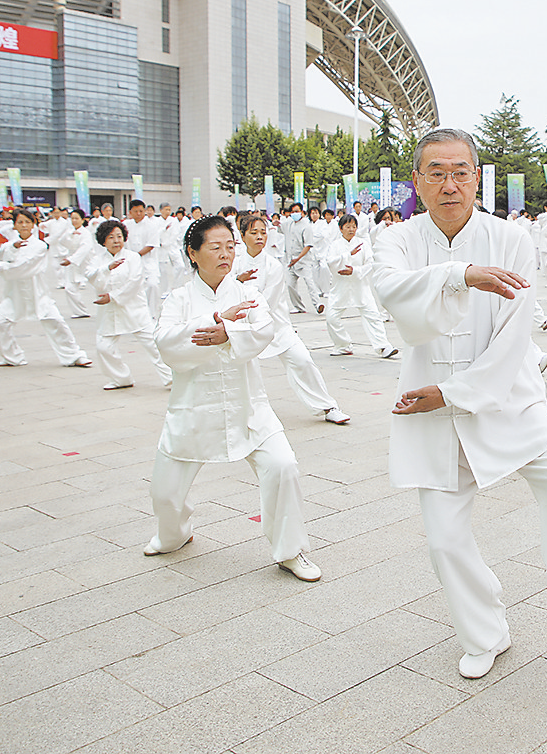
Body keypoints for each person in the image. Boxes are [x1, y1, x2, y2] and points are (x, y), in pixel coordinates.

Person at [372, 128, 547, 698]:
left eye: (461, 172)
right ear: (417, 181)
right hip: (427, 405)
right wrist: (460, 275)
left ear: (477, 178)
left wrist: (456, 392)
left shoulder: (510, 240)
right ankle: (485, 634)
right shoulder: (398, 240)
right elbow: (392, 291)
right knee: (444, 539)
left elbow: (513, 339)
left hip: (508, 398)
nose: (449, 184)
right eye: (436, 172)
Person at [146, 215, 320, 582]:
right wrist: (213, 321)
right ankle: (173, 535)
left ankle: (290, 550)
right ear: (193, 253)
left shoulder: (246, 294)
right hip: (193, 408)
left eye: (230, 246)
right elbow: (166, 344)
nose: (226, 253)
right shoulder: (177, 298)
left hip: (248, 406)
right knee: (164, 493)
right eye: (215, 247)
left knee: (283, 466)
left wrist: (228, 332)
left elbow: (264, 329)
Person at [234, 213, 352, 425]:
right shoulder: (234, 264)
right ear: (242, 236)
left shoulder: (273, 266)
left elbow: (265, 301)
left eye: (263, 232)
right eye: (253, 233)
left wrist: (240, 290)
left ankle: (327, 406)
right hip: (244, 327)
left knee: (302, 361)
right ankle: (242, 412)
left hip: (275, 326)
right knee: (240, 372)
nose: (260, 237)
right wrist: (236, 282)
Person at [0, 208, 93, 367]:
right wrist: (13, 248)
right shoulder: (10, 245)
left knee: (56, 322)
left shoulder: (40, 246)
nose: (24, 225)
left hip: (37, 293)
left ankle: (73, 355)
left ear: (33, 225)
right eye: (20, 222)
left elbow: (25, 266)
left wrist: (3, 267)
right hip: (14, 294)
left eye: (27, 222)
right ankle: (12, 357)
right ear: (14, 226)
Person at [88, 219, 173, 391]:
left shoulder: (133, 257)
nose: (116, 240)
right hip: (109, 312)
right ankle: (121, 378)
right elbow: (93, 279)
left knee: (153, 344)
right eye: (111, 237)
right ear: (103, 241)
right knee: (103, 347)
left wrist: (112, 296)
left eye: (119, 236)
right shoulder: (97, 260)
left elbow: (134, 282)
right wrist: (107, 269)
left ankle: (172, 378)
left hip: (134, 308)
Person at [323, 214, 397, 358]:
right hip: (340, 287)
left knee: (373, 316)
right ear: (341, 228)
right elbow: (330, 262)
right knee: (331, 318)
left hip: (360, 286)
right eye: (348, 227)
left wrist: (355, 271)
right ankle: (343, 345)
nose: (351, 230)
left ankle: (383, 346)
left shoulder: (363, 244)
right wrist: (347, 255)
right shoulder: (335, 245)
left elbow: (370, 264)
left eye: (354, 226)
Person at [282, 202, 324, 314]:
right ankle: (298, 306)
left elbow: (308, 245)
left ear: (302, 213)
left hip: (303, 260)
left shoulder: (306, 226)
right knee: (290, 285)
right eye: (293, 212)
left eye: (297, 211)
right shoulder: (289, 224)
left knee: (309, 282)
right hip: (290, 261)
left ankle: (317, 304)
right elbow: (280, 228)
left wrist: (298, 258)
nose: (294, 214)